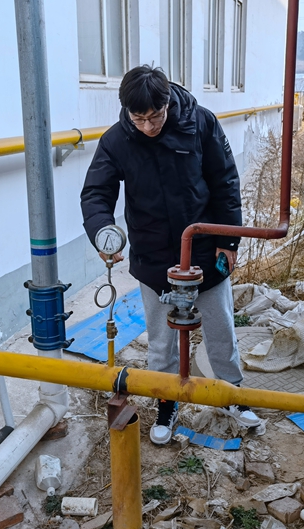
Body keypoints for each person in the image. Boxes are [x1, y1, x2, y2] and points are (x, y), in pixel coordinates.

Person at [80, 65, 261, 445]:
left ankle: (233, 394)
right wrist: (103, 234)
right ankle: (166, 401)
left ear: (167, 104)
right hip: (153, 255)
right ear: (127, 112)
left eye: (155, 116)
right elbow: (96, 193)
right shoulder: (116, 140)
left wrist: (229, 242)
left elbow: (225, 182)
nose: (148, 126)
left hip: (204, 249)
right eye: (139, 119)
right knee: (161, 340)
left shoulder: (201, 123)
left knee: (220, 329)